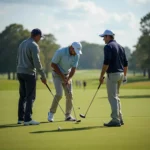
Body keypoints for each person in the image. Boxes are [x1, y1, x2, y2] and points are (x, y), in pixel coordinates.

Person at [16, 28, 47, 126]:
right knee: (30, 96)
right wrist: (43, 75)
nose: (40, 39)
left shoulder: (22, 43)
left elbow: (18, 58)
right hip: (29, 73)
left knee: (23, 96)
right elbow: (37, 63)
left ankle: (21, 118)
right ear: (37, 36)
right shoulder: (34, 45)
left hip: (20, 72)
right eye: (40, 37)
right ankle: (28, 119)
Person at [99, 30, 128, 127]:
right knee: (116, 97)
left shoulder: (108, 46)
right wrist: (125, 75)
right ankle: (120, 118)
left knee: (112, 97)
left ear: (108, 36)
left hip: (113, 74)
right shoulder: (121, 47)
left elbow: (106, 61)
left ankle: (115, 120)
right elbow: (125, 63)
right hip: (120, 74)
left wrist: (101, 75)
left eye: (104, 37)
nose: (103, 39)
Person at [48, 42, 82, 122]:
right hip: (57, 74)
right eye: (75, 51)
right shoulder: (60, 52)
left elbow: (73, 68)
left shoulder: (76, 55)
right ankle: (51, 113)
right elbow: (53, 64)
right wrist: (63, 77)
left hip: (67, 75)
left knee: (69, 95)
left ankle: (68, 116)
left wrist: (69, 78)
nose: (76, 53)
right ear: (71, 48)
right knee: (59, 94)